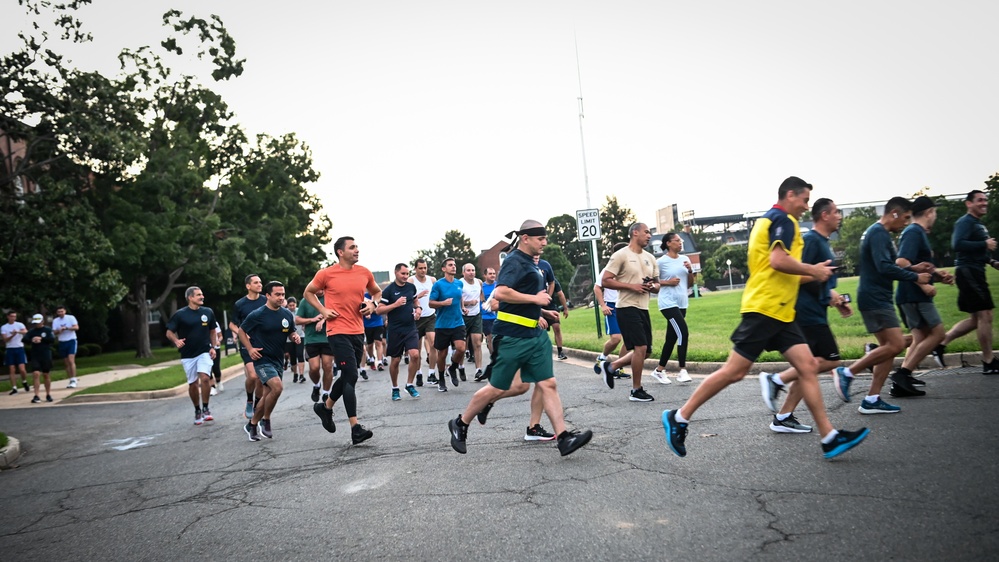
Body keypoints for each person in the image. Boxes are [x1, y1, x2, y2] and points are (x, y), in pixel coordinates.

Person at [662, 176, 870, 460]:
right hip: (765, 309)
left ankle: (830, 437)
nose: (806, 206)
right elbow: (778, 261)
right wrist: (814, 271)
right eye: (805, 200)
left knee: (808, 366)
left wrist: (826, 289)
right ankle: (680, 416)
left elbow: (781, 269)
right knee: (734, 371)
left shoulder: (770, 221)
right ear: (790, 195)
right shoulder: (783, 220)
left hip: (781, 311)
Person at [447, 220, 593, 457]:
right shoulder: (515, 261)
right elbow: (502, 293)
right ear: (525, 238)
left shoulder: (533, 263)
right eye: (540, 239)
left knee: (547, 384)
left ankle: (564, 438)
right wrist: (535, 300)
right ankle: (461, 424)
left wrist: (542, 311)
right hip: (513, 337)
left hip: (535, 335)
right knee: (499, 387)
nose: (544, 243)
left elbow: (522, 298)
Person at [757, 198, 853, 432]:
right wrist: (818, 278)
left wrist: (835, 298)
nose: (840, 216)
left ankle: (783, 416)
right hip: (806, 313)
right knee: (829, 360)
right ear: (824, 215)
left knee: (807, 367)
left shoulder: (822, 241)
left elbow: (817, 278)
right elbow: (797, 275)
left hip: (815, 311)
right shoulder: (810, 240)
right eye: (836, 212)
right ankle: (776, 380)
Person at [831, 198, 933, 413]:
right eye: (905, 218)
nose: (906, 223)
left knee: (888, 350)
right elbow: (884, 267)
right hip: (875, 298)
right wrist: (915, 278)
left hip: (877, 297)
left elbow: (892, 264)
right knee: (896, 345)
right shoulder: (877, 232)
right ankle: (847, 373)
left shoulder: (880, 233)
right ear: (894, 213)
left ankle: (872, 399)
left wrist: (915, 269)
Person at [305, 236, 380, 445]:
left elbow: (376, 292)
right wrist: (322, 310)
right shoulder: (326, 274)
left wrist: (373, 305)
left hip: (358, 330)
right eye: (352, 247)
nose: (357, 250)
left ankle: (325, 407)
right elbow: (308, 292)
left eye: (357, 247)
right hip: (337, 331)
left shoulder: (364, 272)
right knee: (351, 374)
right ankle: (355, 428)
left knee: (349, 376)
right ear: (340, 252)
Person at [891, 196, 955, 393]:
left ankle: (903, 380)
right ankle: (903, 374)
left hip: (910, 294)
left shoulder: (915, 232)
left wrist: (937, 275)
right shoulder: (914, 232)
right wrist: (923, 286)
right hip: (914, 294)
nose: (935, 216)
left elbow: (918, 264)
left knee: (920, 336)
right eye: (934, 212)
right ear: (929, 212)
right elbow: (901, 262)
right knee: (938, 334)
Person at [936, 190, 999, 374]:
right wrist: (984, 245)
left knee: (975, 320)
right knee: (985, 315)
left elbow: (975, 250)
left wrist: (992, 261)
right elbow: (957, 244)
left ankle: (941, 343)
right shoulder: (965, 222)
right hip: (969, 271)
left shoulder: (977, 224)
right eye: (979, 200)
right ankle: (988, 361)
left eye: (985, 200)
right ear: (968, 204)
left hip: (975, 270)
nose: (984, 203)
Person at [598, 222, 658, 402]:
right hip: (626, 307)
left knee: (646, 352)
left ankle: (611, 367)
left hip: (643, 308)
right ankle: (636, 390)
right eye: (646, 232)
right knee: (640, 347)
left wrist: (652, 286)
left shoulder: (650, 258)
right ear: (635, 233)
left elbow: (657, 284)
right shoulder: (620, 255)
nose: (649, 235)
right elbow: (606, 281)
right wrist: (631, 286)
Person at [239, 281, 300, 441]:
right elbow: (241, 331)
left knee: (267, 395)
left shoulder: (287, 314)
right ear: (268, 296)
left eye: (283, 294)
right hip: (262, 360)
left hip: (277, 359)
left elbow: (291, 331)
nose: (281, 297)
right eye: (277, 294)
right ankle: (266, 420)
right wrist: (250, 349)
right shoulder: (258, 314)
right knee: (277, 388)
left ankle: (252, 424)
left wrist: (294, 336)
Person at [165, 286, 219, 425]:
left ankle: (206, 408)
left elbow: (212, 331)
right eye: (198, 295)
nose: (202, 297)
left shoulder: (208, 312)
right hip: (188, 354)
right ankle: (197, 410)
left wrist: (213, 347)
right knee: (193, 383)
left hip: (204, 351)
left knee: (205, 378)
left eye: (202, 294)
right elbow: (169, 332)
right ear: (190, 297)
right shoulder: (180, 314)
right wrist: (176, 340)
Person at [652, 232, 695, 384]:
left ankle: (659, 370)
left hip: (682, 302)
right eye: (677, 240)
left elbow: (690, 284)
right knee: (683, 332)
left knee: (671, 338)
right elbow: (652, 282)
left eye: (680, 240)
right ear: (668, 243)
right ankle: (682, 370)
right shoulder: (661, 262)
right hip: (667, 303)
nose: (680, 242)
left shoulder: (685, 259)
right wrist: (667, 282)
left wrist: (690, 271)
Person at [379, 263, 422, 401]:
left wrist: (418, 309)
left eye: (407, 274)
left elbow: (415, 301)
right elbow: (379, 310)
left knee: (415, 355)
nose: (405, 276)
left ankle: (409, 384)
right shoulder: (389, 290)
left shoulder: (411, 287)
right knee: (396, 360)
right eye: (403, 273)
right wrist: (395, 304)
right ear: (396, 273)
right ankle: (395, 388)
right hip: (395, 329)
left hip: (410, 327)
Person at [593, 242, 633, 377]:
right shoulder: (608, 270)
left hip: (627, 305)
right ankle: (602, 358)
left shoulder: (629, 269)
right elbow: (597, 288)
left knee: (629, 340)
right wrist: (603, 305)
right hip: (612, 306)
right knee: (616, 338)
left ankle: (618, 368)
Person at [230, 274, 266, 419]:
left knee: (260, 379)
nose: (259, 285)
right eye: (256, 282)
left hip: (263, 343)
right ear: (248, 286)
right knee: (253, 375)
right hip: (247, 343)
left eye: (260, 282)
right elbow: (232, 324)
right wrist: (241, 333)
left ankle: (257, 403)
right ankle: (250, 400)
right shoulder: (240, 304)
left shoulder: (265, 300)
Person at [429, 257, 467, 392]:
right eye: (450, 265)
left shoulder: (459, 283)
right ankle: (441, 379)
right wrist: (442, 303)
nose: (453, 267)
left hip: (458, 322)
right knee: (443, 353)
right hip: (443, 324)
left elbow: (459, 296)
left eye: (455, 265)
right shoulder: (438, 285)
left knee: (461, 348)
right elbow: (431, 303)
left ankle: (452, 368)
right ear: (444, 269)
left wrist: (462, 307)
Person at [296, 289, 335, 403]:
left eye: (323, 287)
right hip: (311, 339)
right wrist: (312, 320)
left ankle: (326, 393)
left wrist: (323, 319)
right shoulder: (306, 300)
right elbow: (297, 320)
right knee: (314, 368)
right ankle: (317, 385)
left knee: (328, 366)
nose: (320, 290)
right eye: (318, 287)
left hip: (328, 337)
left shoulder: (330, 298)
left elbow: (337, 311)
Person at [409, 258, 438, 386]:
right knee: (417, 348)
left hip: (430, 316)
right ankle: (419, 372)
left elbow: (437, 295)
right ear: (415, 269)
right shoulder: (411, 281)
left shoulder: (432, 280)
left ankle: (431, 373)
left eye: (425, 268)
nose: (423, 270)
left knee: (433, 343)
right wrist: (417, 296)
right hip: (416, 318)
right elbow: (405, 299)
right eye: (420, 268)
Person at [459, 263, 485, 380]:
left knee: (477, 343)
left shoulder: (479, 282)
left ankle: (478, 370)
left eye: (473, 270)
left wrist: (485, 304)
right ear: (463, 272)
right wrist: (468, 303)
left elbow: (481, 296)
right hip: (463, 316)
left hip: (476, 316)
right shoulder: (460, 283)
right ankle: (461, 366)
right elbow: (457, 299)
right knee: (462, 345)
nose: (471, 272)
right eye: (468, 270)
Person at [25, 314, 55, 403]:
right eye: (35, 323)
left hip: (45, 354)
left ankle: (48, 394)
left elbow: (52, 340)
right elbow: (25, 339)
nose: (37, 325)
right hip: (35, 355)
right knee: (36, 373)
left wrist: (41, 339)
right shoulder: (32, 331)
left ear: (42, 321)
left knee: (46, 374)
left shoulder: (48, 330)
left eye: (38, 323)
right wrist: (32, 340)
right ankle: (36, 395)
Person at [477, 266, 498, 381]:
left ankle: (495, 357)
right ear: (485, 275)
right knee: (490, 337)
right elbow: (480, 299)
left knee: (497, 338)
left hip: (497, 316)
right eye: (490, 273)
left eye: (494, 273)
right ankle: (493, 357)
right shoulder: (482, 287)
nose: (492, 275)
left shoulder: (498, 285)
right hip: (485, 316)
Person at [51, 306, 79, 388]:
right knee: (66, 362)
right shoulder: (55, 321)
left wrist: (66, 328)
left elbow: (76, 327)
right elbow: (54, 332)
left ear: (65, 311)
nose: (60, 313)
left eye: (62, 311)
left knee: (71, 360)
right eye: (59, 312)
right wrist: (59, 331)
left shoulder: (71, 318)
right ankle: (70, 379)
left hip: (71, 340)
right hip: (62, 341)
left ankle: (74, 379)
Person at [3, 311, 30, 394]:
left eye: (14, 316)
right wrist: (12, 335)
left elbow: (26, 331)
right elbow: (5, 339)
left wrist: (17, 332)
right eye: (11, 316)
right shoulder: (4, 327)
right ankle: (14, 388)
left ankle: (24, 381)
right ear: (8, 317)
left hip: (19, 348)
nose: (13, 318)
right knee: (12, 369)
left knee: (22, 369)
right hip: (10, 349)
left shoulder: (19, 325)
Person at [362, 291, 386, 377]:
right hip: (367, 324)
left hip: (378, 323)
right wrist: (365, 314)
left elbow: (382, 308)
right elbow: (359, 309)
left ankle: (380, 362)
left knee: (378, 342)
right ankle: (371, 358)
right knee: (370, 345)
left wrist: (373, 310)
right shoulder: (363, 296)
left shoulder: (379, 295)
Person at [284, 298, 306, 383]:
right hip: (289, 339)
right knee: (292, 356)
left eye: (293, 305)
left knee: (300, 354)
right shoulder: (285, 312)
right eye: (290, 305)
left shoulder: (299, 311)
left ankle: (301, 375)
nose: (292, 307)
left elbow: (304, 320)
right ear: (288, 305)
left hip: (300, 335)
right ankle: (295, 373)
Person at [210, 321, 223, 395]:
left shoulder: (215, 323)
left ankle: (219, 381)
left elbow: (220, 336)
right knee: (208, 370)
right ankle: (212, 387)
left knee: (216, 369)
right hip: (205, 349)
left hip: (215, 348)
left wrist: (218, 341)